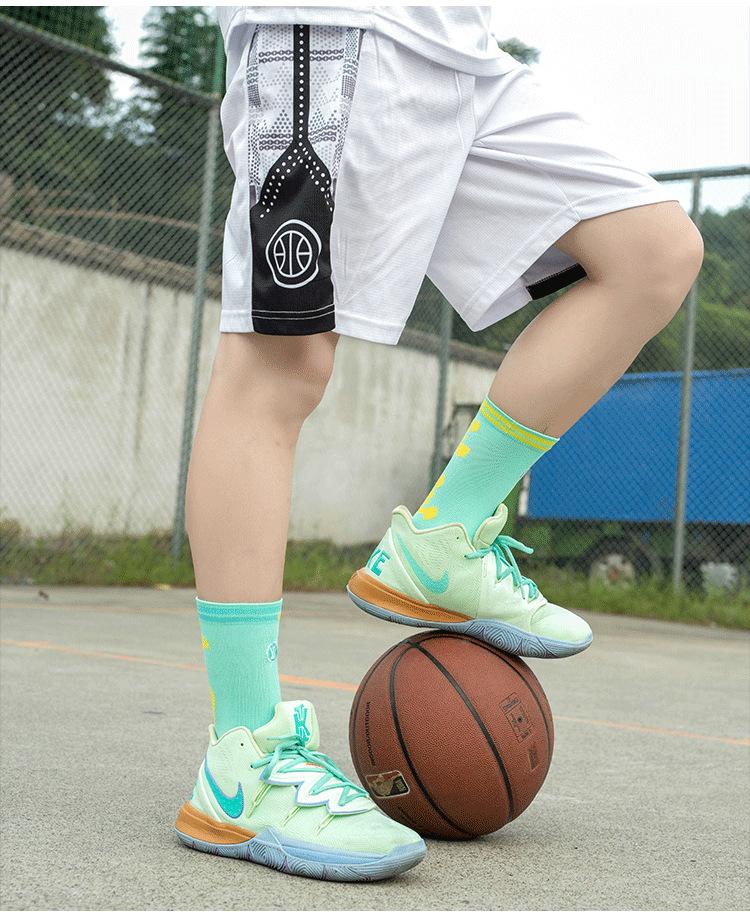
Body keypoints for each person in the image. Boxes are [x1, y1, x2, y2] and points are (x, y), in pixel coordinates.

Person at [174, 5, 703, 881]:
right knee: (280, 364)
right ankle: (243, 762)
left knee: (651, 253)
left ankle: (440, 541)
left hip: (459, 49)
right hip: (337, 28)